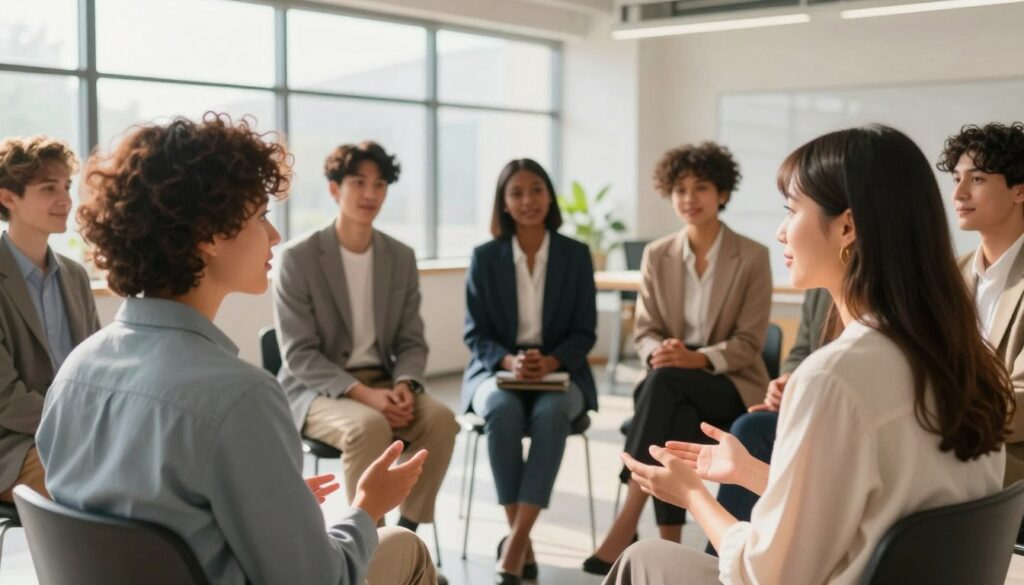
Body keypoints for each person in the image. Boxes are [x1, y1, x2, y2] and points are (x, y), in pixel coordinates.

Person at [37, 115, 437, 585]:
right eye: (260, 216)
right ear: (208, 234)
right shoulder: (241, 397)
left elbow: (131, 517)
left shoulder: (75, 371)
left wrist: (267, 502)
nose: (274, 236)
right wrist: (368, 507)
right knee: (405, 546)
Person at [608, 125, 1011, 584]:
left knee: (643, 557)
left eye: (792, 209)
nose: (781, 232)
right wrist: (749, 472)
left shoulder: (833, 377)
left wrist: (695, 496)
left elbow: (767, 576)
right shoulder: (969, 356)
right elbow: (875, 510)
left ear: (847, 226)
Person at [585, 142, 771, 575]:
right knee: (672, 400)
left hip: (730, 386)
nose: (690, 199)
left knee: (665, 386)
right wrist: (663, 353)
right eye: (680, 190)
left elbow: (749, 341)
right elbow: (646, 331)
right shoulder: (658, 254)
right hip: (672, 387)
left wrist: (698, 358)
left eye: (701, 188)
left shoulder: (753, 256)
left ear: (722, 193)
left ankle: (628, 520)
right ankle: (671, 550)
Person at [273, 141, 459, 548]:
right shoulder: (298, 258)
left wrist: (406, 385)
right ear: (334, 189)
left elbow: (412, 339)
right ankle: (366, 548)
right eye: (358, 182)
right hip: (317, 389)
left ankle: (403, 539)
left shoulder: (400, 257)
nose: (370, 194)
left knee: (443, 420)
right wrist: (366, 396)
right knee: (369, 426)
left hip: (386, 380)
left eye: (379, 184)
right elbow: (300, 354)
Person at [462, 158, 597, 585]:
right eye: (517, 193)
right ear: (503, 203)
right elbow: (474, 333)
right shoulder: (485, 258)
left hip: (561, 369)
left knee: (552, 413)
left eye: (537, 190)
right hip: (497, 368)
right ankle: (523, 541)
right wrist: (509, 361)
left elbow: (585, 331)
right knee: (502, 411)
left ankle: (516, 542)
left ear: (549, 195)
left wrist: (552, 362)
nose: (528, 200)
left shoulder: (574, 255)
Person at [0, 135, 100, 503]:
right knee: (100, 485)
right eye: (47, 188)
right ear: (7, 197)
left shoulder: (74, 276)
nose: (65, 200)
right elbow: (4, 399)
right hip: (11, 445)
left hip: (78, 434)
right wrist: (79, 429)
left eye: (66, 186)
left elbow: (98, 370)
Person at [938, 122, 1024, 487]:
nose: (958, 193)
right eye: (956, 178)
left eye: (976, 180)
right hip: (946, 445)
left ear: (1019, 190)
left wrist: (933, 417)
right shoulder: (948, 275)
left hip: (1009, 460)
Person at [710, 287, 831, 540]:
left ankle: (727, 561)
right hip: (808, 404)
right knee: (751, 428)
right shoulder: (818, 290)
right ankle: (730, 559)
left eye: (787, 241)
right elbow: (800, 352)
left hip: (832, 411)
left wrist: (803, 391)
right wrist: (788, 380)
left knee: (751, 430)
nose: (782, 243)